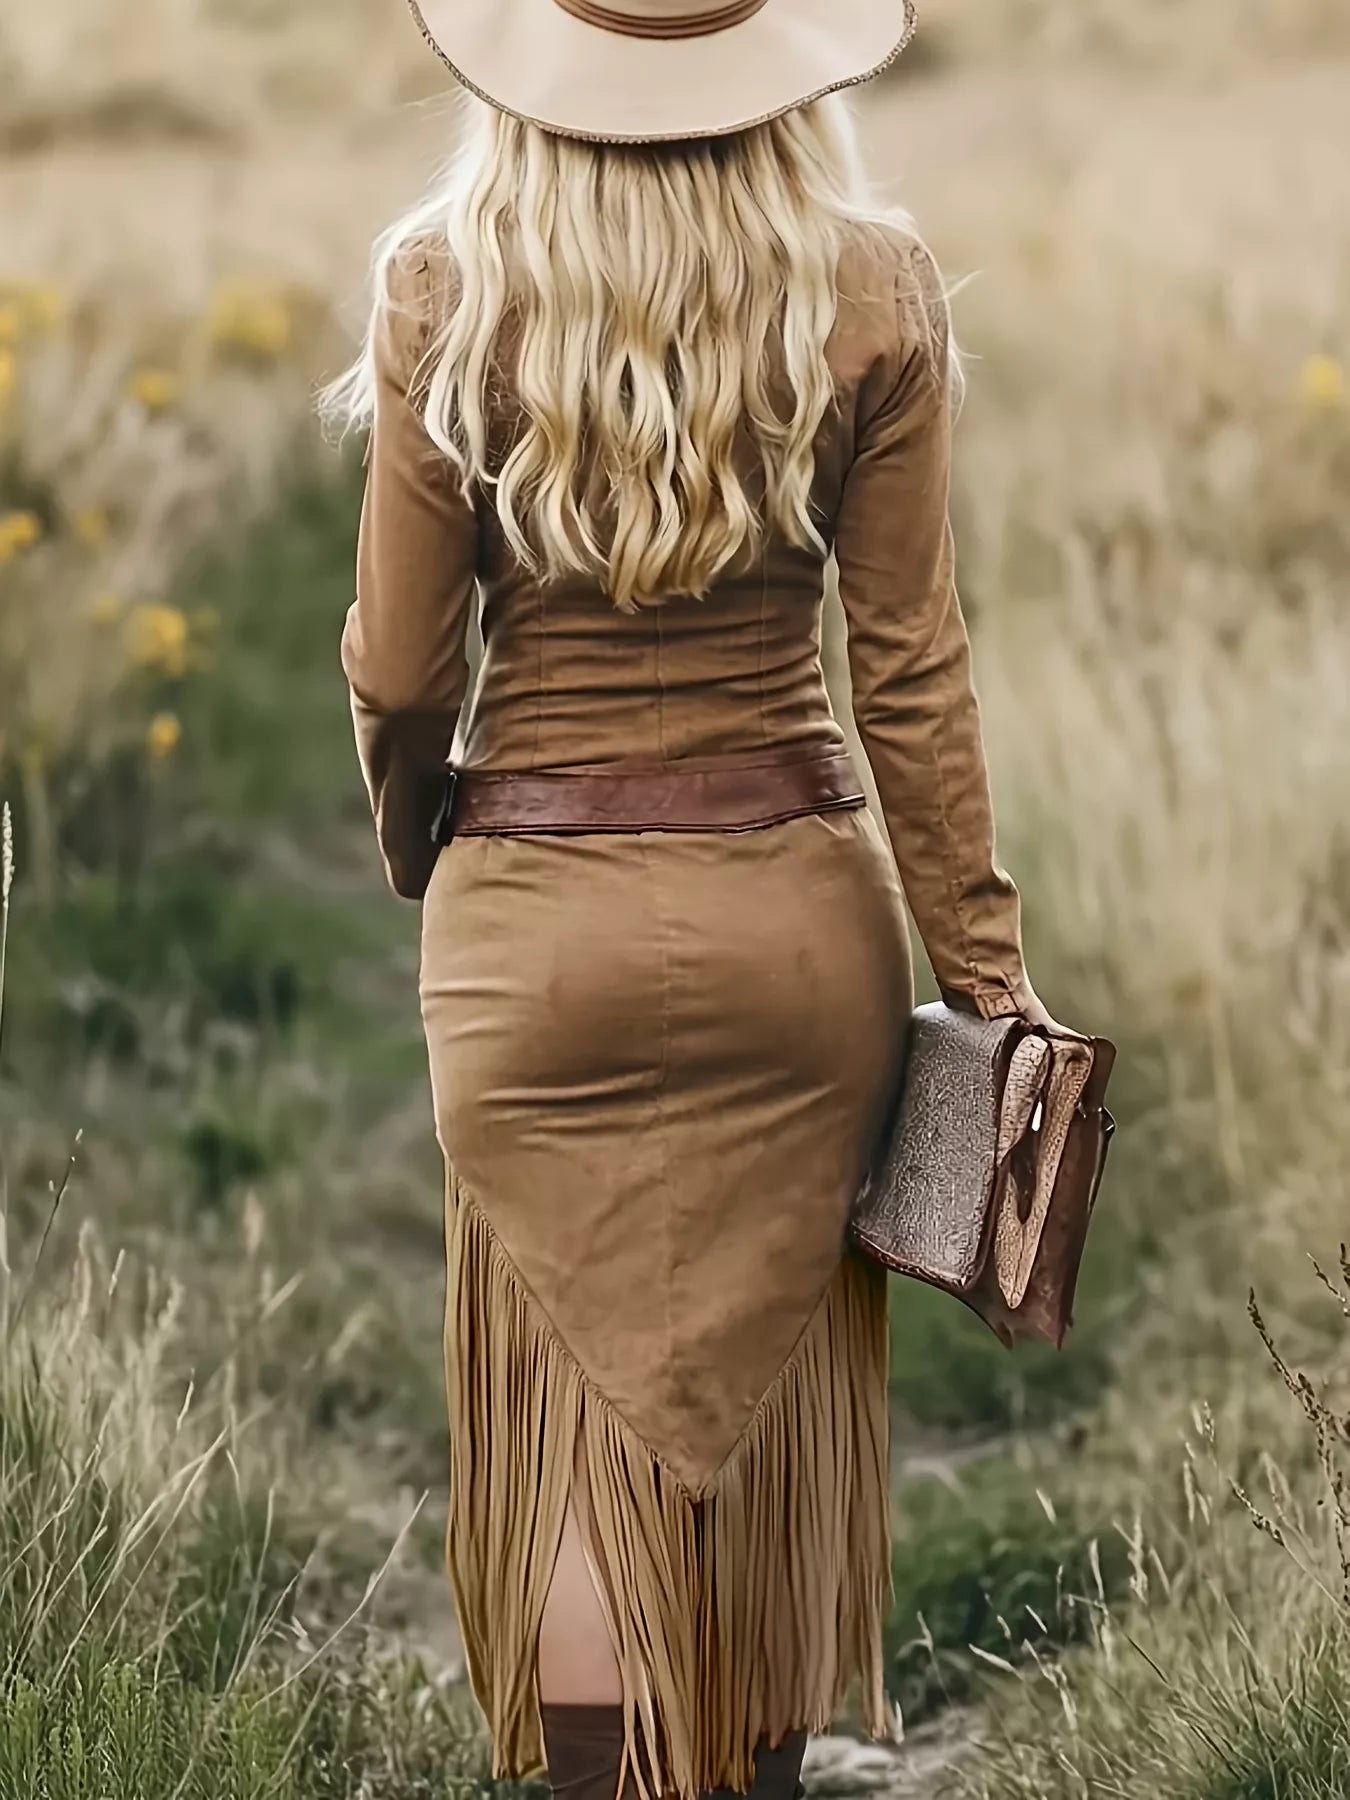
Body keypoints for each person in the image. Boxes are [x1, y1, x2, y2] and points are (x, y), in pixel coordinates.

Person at [331, 3, 1052, 1798]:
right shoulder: (872, 292)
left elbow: (407, 673)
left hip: (531, 940)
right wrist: (989, 976)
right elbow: (911, 679)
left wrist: (429, 845)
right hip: (795, 934)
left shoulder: (446, 286)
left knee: (580, 1428)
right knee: (755, 1430)